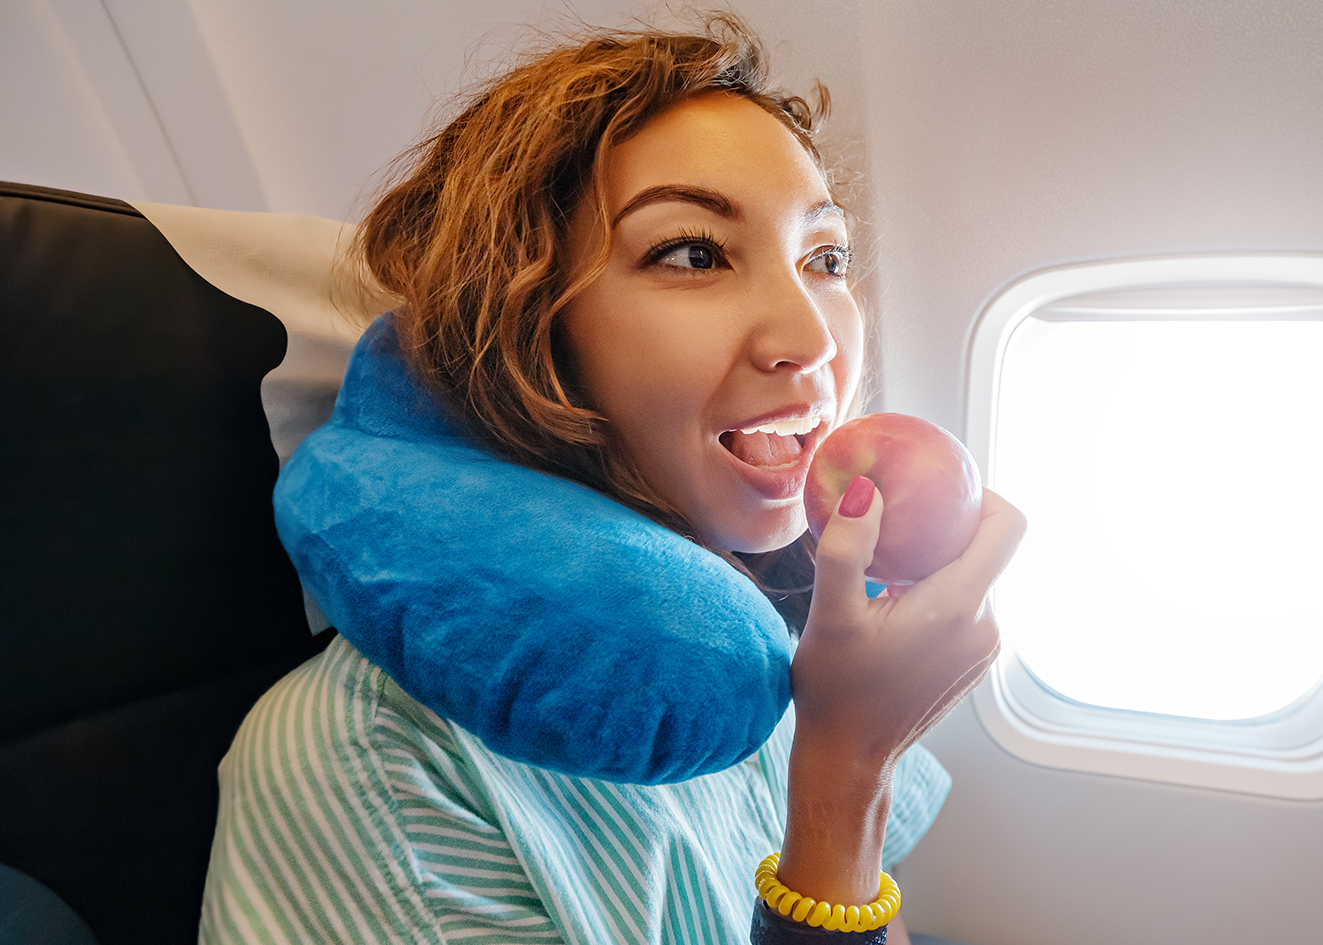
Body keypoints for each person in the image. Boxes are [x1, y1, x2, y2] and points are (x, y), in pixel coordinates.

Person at [200, 14, 1025, 945]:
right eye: (693, 253)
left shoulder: (774, 635)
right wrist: (845, 779)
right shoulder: (364, 768)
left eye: (824, 258)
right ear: (526, 328)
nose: (813, 342)